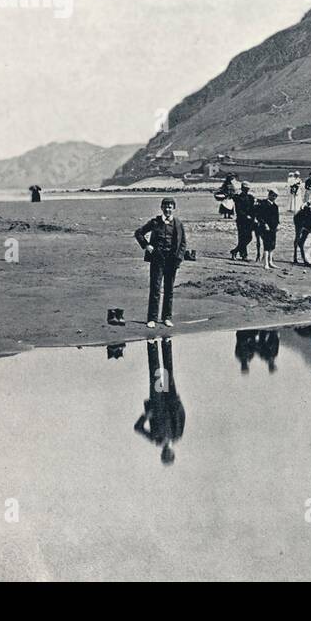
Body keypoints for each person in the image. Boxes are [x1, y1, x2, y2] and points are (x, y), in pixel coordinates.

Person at [134, 197, 187, 328]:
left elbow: (183, 244)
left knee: (169, 290)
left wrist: (178, 258)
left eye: (170, 207)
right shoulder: (155, 222)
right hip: (157, 260)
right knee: (155, 289)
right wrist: (147, 246)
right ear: (162, 208)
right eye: (165, 207)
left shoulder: (178, 224)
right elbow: (138, 233)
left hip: (171, 261)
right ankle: (152, 318)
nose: (168, 209)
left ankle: (166, 317)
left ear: (173, 208)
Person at [134, 337, 185, 465]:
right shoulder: (177, 436)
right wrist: (179, 404)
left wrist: (146, 415)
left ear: (162, 453)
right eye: (169, 455)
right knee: (168, 372)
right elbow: (182, 417)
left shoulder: (155, 439)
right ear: (173, 453)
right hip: (171, 400)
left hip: (157, 403)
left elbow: (138, 428)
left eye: (164, 454)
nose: (167, 452)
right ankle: (166, 343)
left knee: (155, 373)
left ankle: (152, 345)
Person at [256, 188, 280, 269]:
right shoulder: (263, 204)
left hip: (273, 227)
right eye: (273, 196)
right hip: (264, 227)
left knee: (272, 245)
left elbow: (277, 217)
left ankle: (270, 262)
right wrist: (264, 224)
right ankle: (265, 263)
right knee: (266, 244)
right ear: (269, 195)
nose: (274, 197)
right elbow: (259, 216)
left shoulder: (275, 206)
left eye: (275, 196)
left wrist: (278, 225)